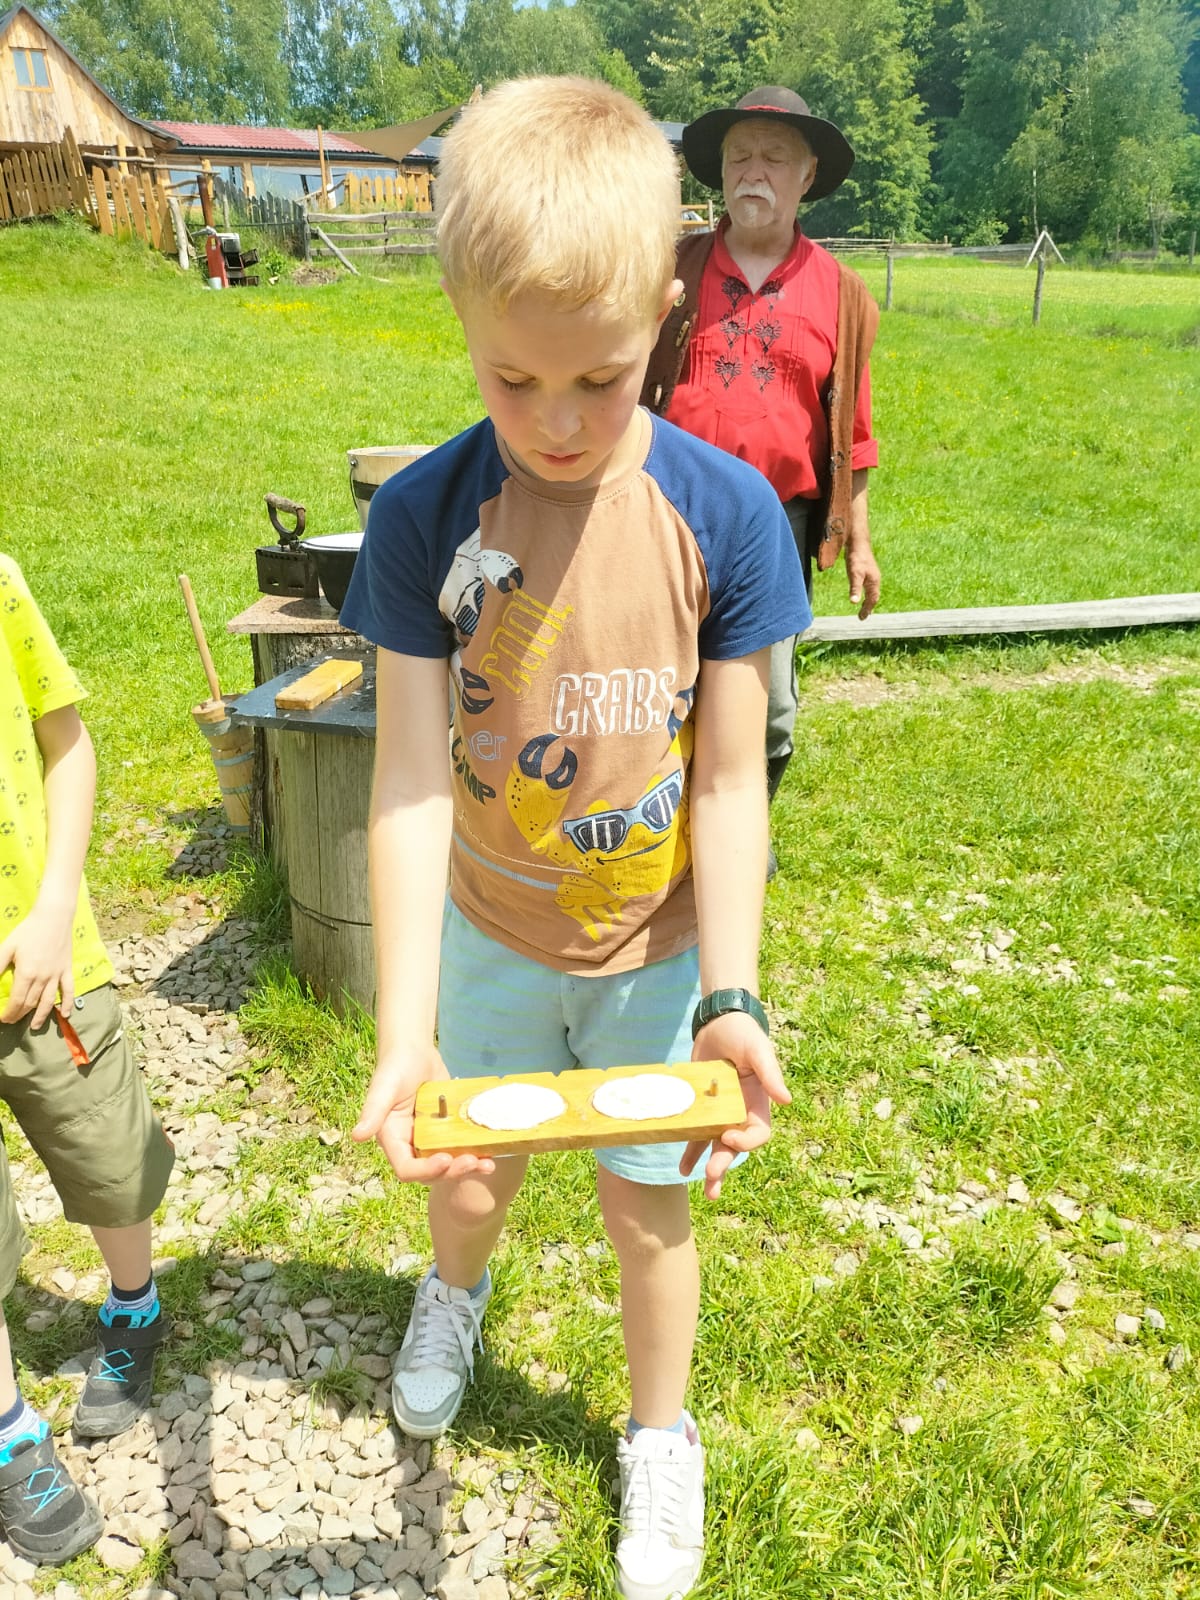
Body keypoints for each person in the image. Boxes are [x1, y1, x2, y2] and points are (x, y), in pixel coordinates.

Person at [341, 76, 809, 1600]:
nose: (553, 422)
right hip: (488, 932)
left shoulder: (727, 519)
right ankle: (453, 1295)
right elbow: (410, 781)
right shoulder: (424, 520)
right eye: (511, 379)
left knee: (645, 1206)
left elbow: (729, 784)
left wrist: (730, 994)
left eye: (598, 381)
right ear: (463, 322)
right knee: (469, 1178)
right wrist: (405, 1029)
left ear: (663, 313)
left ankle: (659, 1434)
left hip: (653, 957)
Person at [0, 555, 174, 1566]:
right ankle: (12, 1434)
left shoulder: (0, 583)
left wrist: (56, 905)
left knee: (112, 1157)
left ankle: (134, 1303)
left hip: (44, 961)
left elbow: (65, 742)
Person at [642, 85, 882, 817]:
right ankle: (662, 838)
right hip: (666, 515)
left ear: (808, 176)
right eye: (739, 156)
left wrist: (860, 543)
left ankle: (745, 831)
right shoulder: (667, 271)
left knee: (768, 706)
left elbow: (853, 436)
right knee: (658, 687)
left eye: (774, 158)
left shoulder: (842, 294)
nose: (753, 171)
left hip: (775, 526)